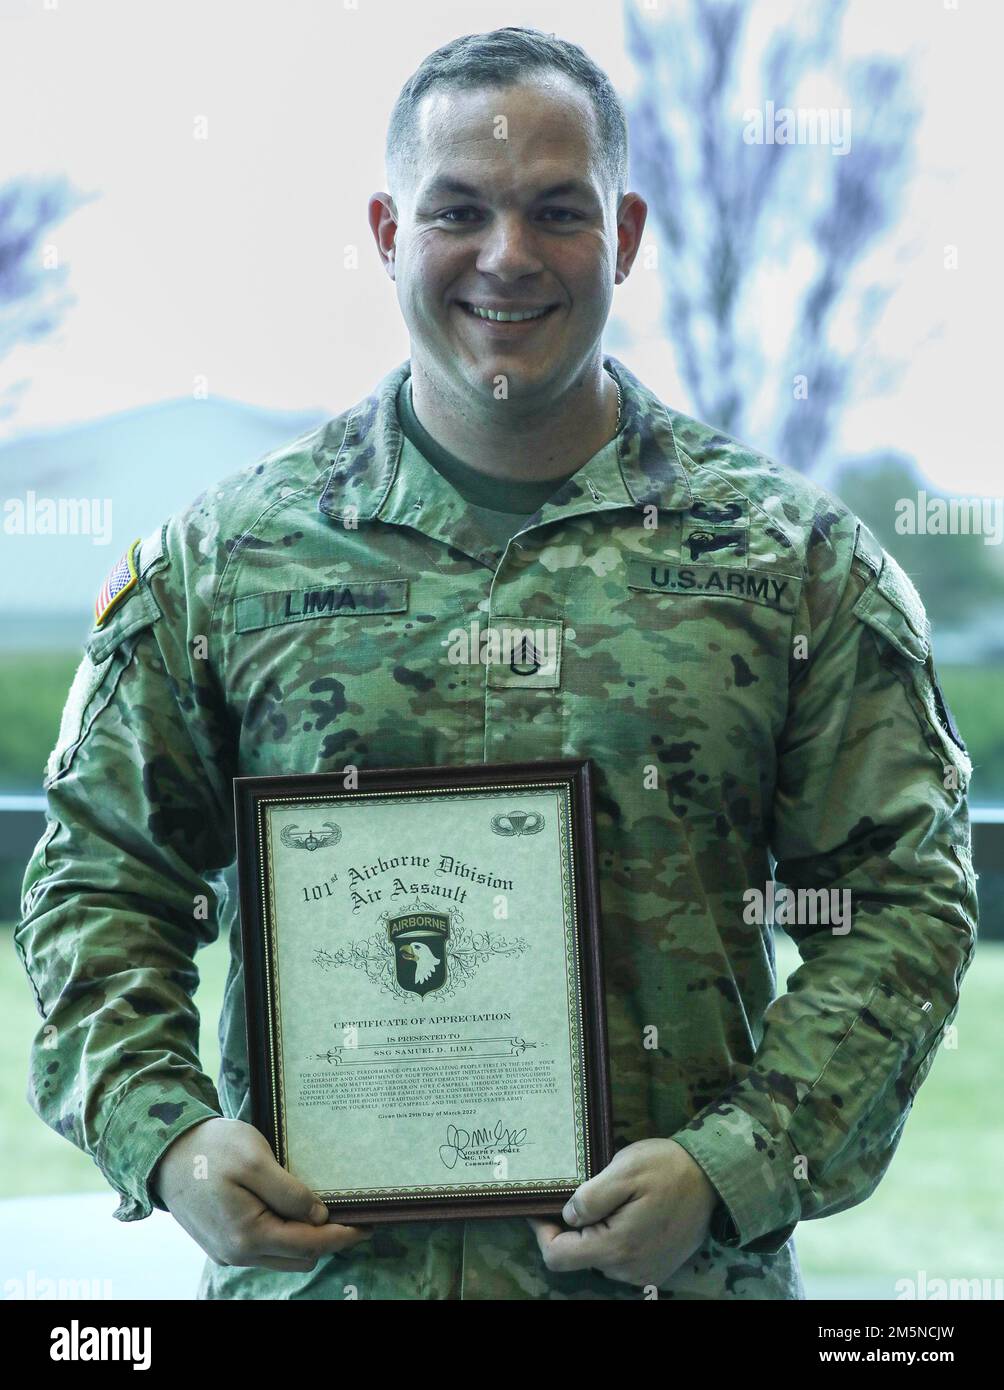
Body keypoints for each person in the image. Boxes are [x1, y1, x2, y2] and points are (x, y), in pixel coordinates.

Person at [15, 26, 977, 1301]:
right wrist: (170, 1136)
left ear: (624, 236)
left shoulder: (789, 566)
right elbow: (99, 879)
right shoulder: (225, 564)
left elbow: (897, 902)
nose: (505, 256)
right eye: (456, 209)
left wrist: (734, 1165)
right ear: (385, 232)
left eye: (555, 212)